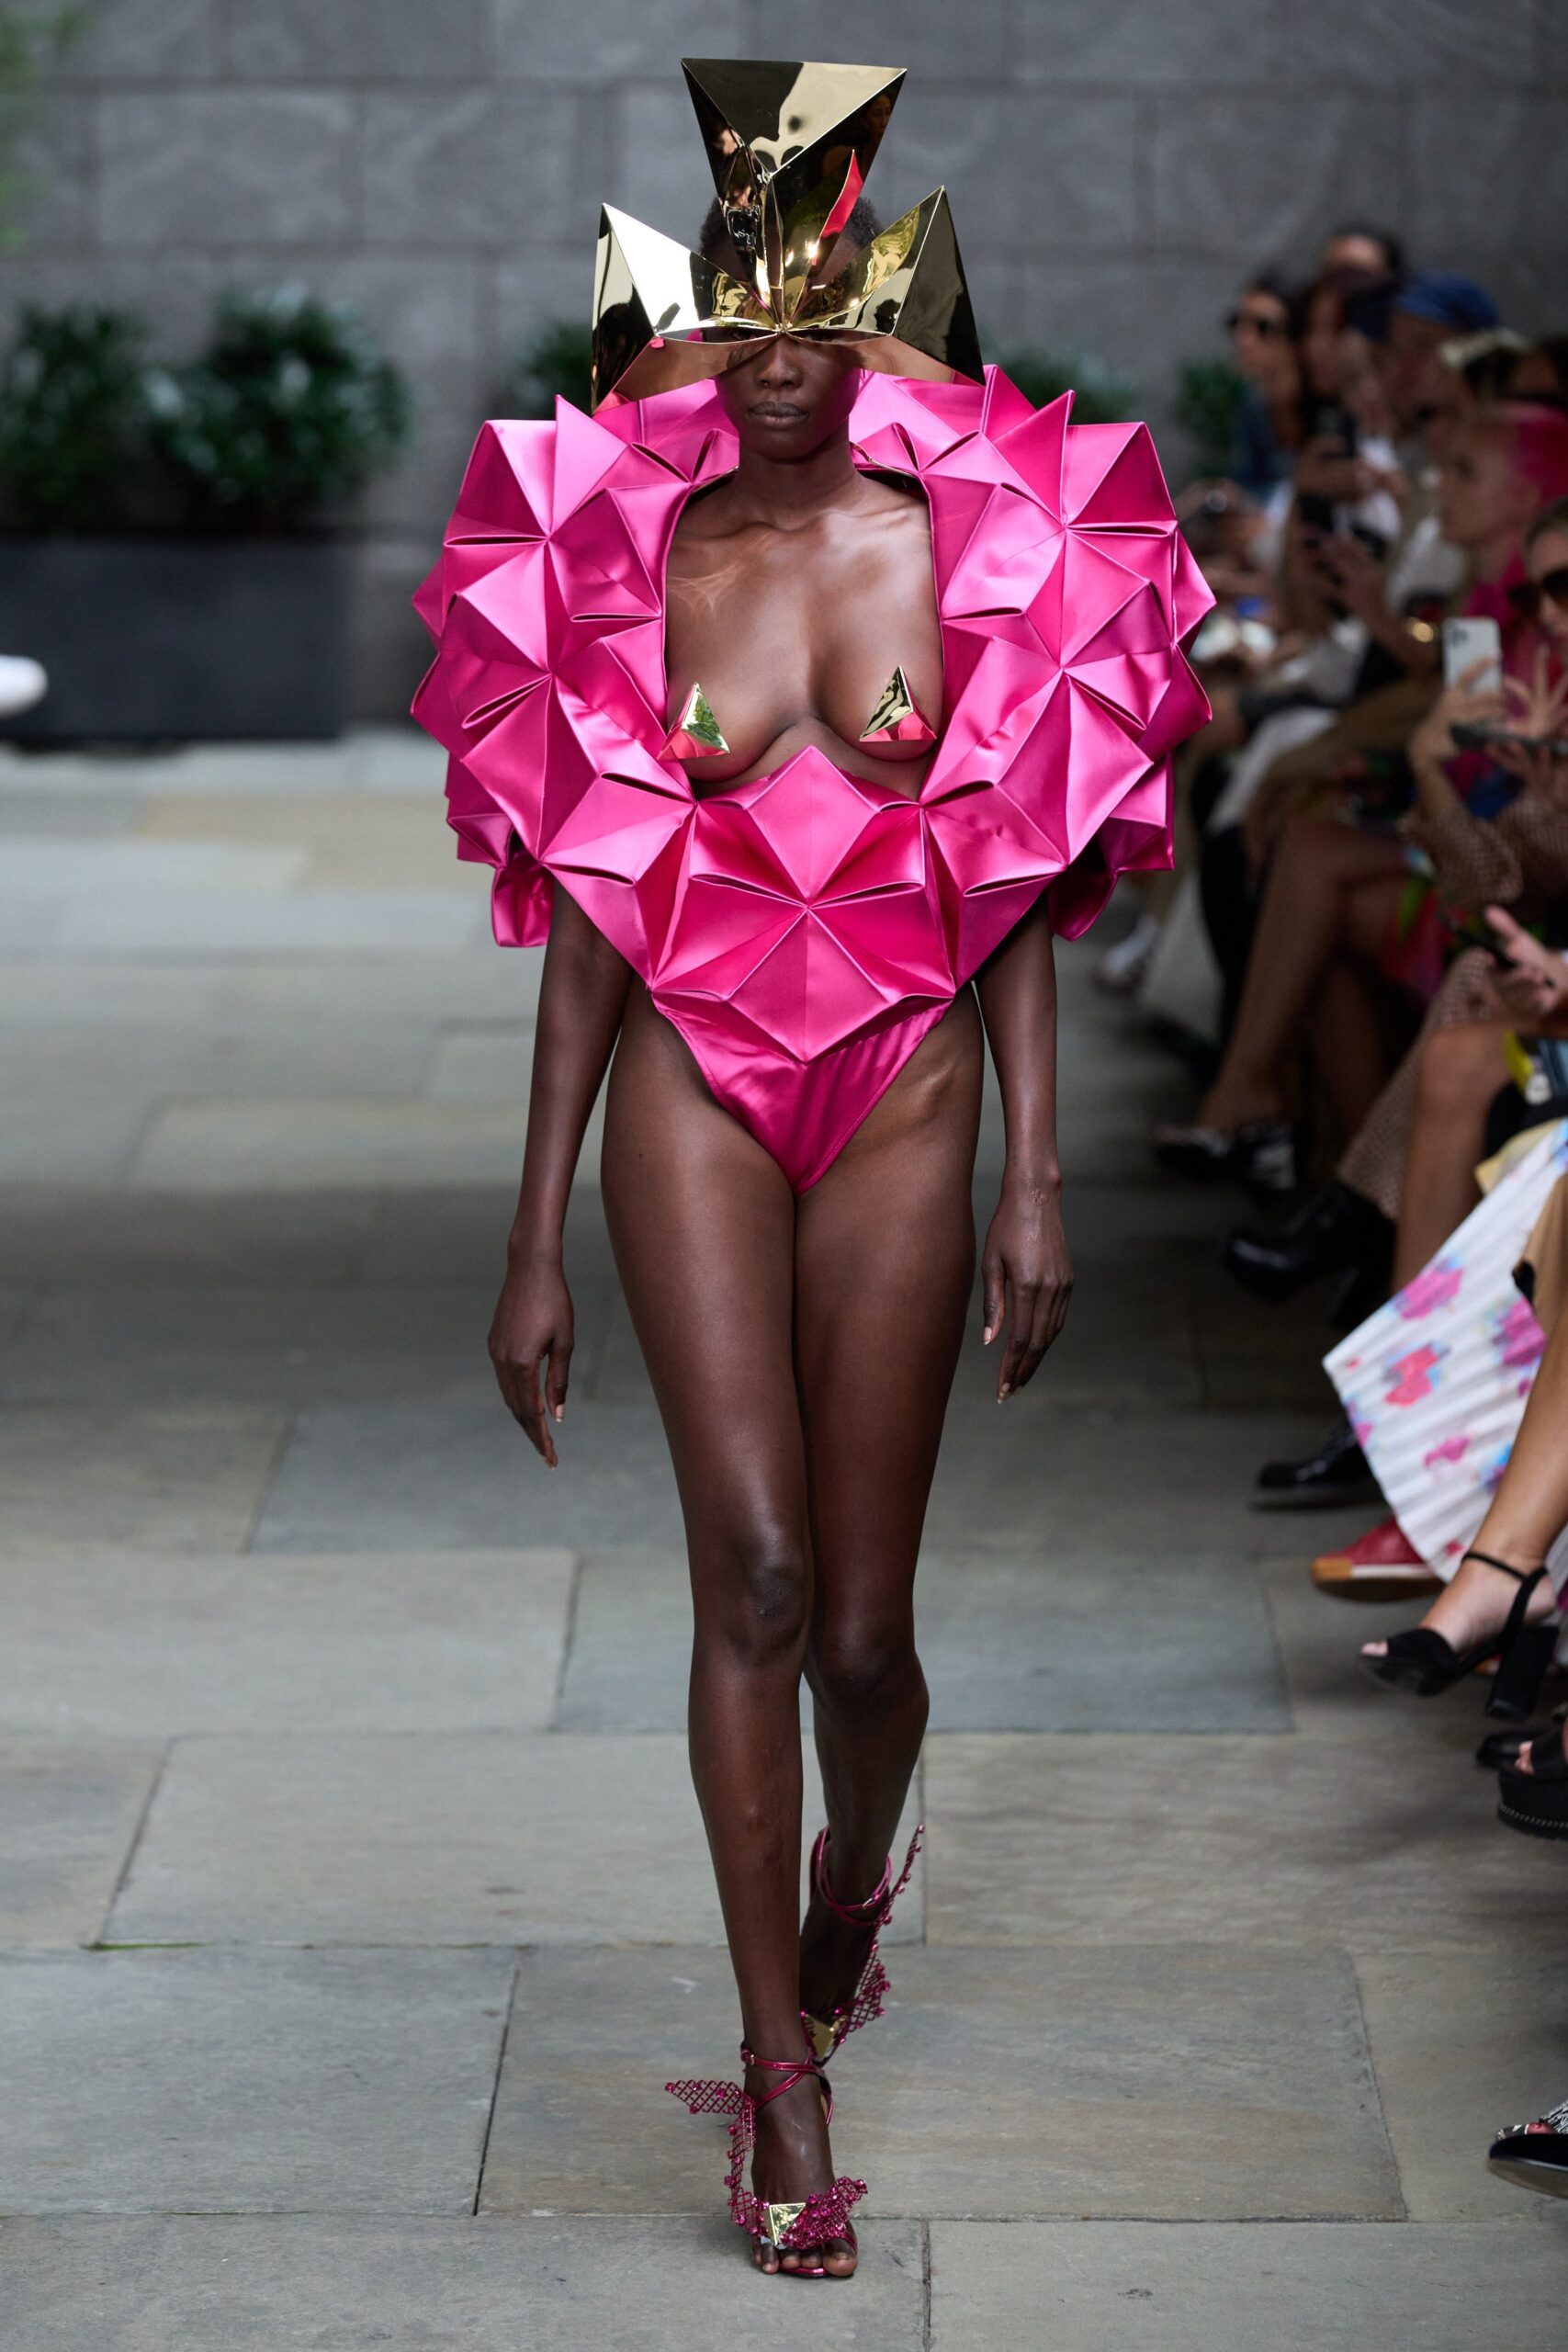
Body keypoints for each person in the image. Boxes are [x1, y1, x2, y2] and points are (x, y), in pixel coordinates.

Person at [411, 58, 1208, 2280]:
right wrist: (527, 1230)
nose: (773, 376)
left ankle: (857, 1866)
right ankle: (778, 2059)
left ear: (875, 346)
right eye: (738, 341)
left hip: (913, 1090)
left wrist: (1041, 1177)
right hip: (685, 1084)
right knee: (747, 1575)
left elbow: (1017, 875)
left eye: (814, 339)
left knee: (864, 1626)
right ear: (689, 352)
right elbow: (591, 899)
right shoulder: (634, 556)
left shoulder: (956, 551)